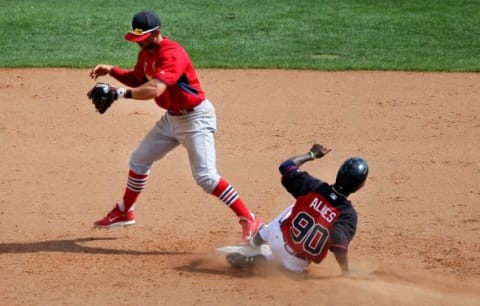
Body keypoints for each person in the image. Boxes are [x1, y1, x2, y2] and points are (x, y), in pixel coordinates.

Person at [87, 10, 262, 241]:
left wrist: (118, 93)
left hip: (196, 119)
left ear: (157, 33)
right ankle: (124, 211)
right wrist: (112, 71)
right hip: (172, 119)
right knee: (139, 159)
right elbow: (140, 79)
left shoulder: (172, 54)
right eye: (136, 40)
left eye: (143, 39)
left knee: (206, 177)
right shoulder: (146, 53)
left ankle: (249, 218)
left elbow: (154, 89)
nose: (139, 45)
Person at [226, 143, 368, 274]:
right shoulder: (347, 214)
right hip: (296, 264)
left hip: (276, 238)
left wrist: (311, 154)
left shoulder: (313, 187)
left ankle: (251, 244)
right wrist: (346, 271)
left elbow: (286, 166)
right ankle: (261, 261)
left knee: (297, 205)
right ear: (359, 186)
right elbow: (338, 245)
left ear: (339, 174)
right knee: (315, 228)